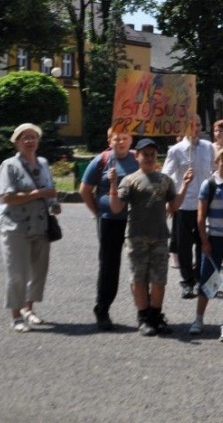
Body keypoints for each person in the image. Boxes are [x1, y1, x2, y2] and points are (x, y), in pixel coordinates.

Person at [109, 138, 192, 336]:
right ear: (136, 156)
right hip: (136, 236)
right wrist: (113, 184)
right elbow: (116, 207)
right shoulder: (129, 180)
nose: (148, 158)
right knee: (139, 278)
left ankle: (156, 315)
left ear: (157, 157)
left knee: (159, 279)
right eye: (144, 154)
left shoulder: (165, 180)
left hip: (160, 236)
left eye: (152, 154)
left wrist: (185, 186)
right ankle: (143, 317)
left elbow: (174, 206)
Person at [0, 123, 60, 332]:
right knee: (17, 273)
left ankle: (28, 309)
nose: (30, 141)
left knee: (38, 271)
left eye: (34, 137)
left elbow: (48, 189)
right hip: (15, 226)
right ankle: (16, 317)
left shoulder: (43, 163)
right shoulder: (10, 165)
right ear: (16, 142)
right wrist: (39, 194)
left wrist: (54, 203)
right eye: (25, 137)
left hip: (40, 224)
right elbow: (7, 197)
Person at [79, 129, 139, 331]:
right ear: (109, 140)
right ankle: (102, 309)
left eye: (125, 138)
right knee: (109, 266)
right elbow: (85, 190)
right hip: (110, 221)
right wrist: (97, 212)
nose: (121, 142)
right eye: (117, 139)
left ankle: (145, 311)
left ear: (131, 140)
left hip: (134, 220)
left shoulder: (137, 159)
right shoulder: (102, 160)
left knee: (139, 265)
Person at [190, 147, 223, 337]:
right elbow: (201, 215)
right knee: (208, 280)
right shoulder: (209, 184)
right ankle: (198, 319)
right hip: (214, 238)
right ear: (216, 163)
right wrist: (204, 241)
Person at [162, 115, 216, 299]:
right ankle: (187, 281)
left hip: (204, 204)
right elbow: (166, 176)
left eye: (199, 125)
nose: (196, 129)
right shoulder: (176, 151)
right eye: (192, 125)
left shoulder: (208, 147)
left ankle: (202, 279)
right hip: (184, 204)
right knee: (184, 246)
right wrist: (170, 199)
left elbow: (214, 171)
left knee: (204, 243)